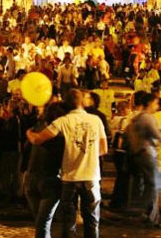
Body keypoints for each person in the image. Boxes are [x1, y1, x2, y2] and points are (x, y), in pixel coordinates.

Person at [27, 89, 107, 238]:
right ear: (82, 102)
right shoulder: (96, 120)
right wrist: (87, 154)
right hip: (91, 177)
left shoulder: (62, 121)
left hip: (69, 178)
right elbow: (103, 149)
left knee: (68, 222)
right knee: (92, 221)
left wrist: (29, 133)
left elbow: (38, 139)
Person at [127, 92, 161, 228]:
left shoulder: (138, 117)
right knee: (155, 186)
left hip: (141, 154)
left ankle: (150, 215)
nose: (157, 106)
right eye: (156, 103)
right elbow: (158, 135)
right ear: (150, 103)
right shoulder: (148, 118)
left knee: (153, 185)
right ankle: (147, 214)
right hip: (147, 154)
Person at [24, 102, 66, 238]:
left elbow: (27, 150)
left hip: (32, 176)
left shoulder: (37, 130)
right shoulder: (62, 135)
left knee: (40, 221)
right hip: (50, 178)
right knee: (43, 222)